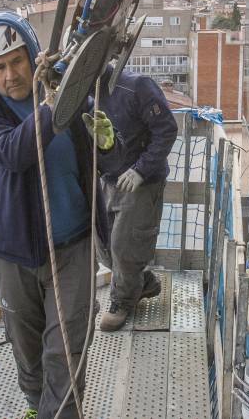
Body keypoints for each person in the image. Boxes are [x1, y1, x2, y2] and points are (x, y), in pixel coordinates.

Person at [0, 12, 121, 419]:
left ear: (33, 56)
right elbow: (13, 153)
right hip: (15, 250)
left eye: (16, 61)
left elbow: (106, 164)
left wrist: (107, 143)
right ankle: (39, 407)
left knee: (66, 351)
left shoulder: (70, 103)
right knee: (27, 348)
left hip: (73, 247)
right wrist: (57, 103)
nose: (10, 75)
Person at [95, 66, 178, 331]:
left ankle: (122, 301)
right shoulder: (84, 93)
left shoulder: (137, 86)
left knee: (125, 247)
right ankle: (142, 282)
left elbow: (166, 130)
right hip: (106, 178)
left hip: (140, 183)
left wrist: (141, 169)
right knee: (104, 247)